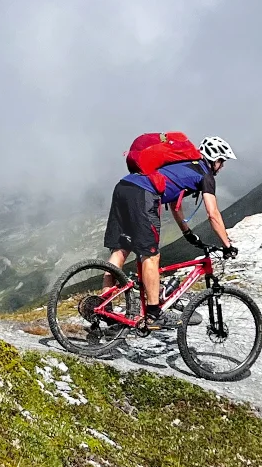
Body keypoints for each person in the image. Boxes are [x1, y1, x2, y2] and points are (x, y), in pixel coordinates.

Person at [102, 135, 238, 329]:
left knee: (121, 249)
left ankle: (102, 304)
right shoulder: (205, 175)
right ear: (214, 158)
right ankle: (154, 313)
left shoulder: (184, 164)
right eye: (221, 161)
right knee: (151, 255)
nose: (222, 166)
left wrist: (187, 232)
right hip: (143, 194)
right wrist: (227, 245)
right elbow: (213, 213)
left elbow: (175, 206)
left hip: (124, 187)